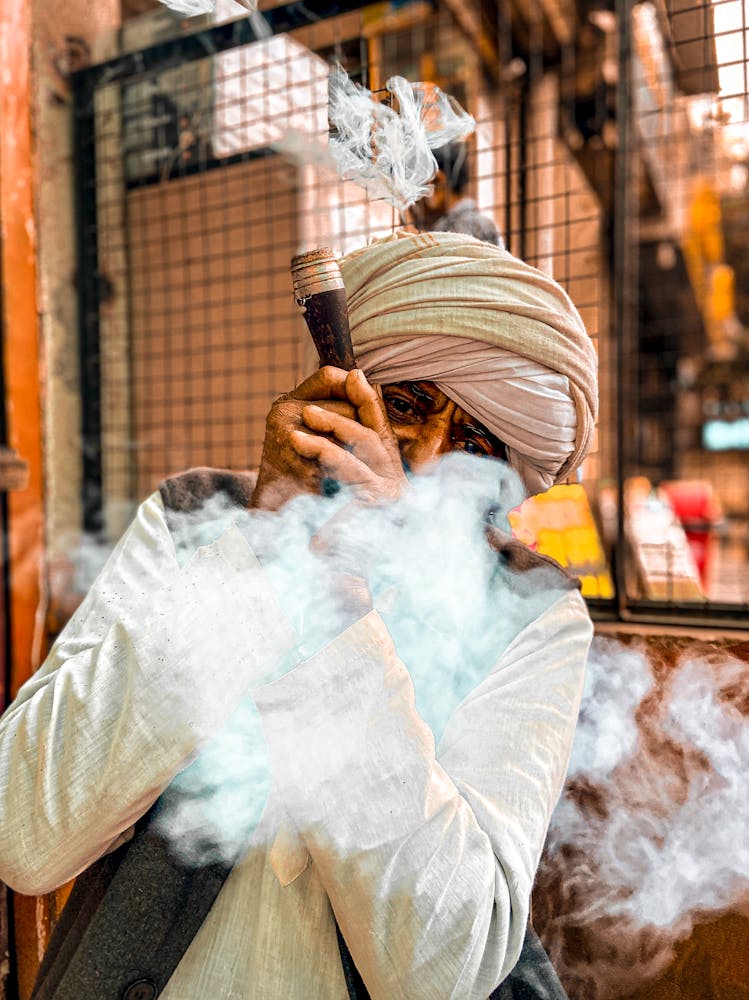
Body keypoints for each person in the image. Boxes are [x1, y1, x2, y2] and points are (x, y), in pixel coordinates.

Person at [0, 230, 597, 999]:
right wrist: (267, 553)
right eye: (408, 404)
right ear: (347, 394)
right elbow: (24, 831)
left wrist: (342, 608)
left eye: (476, 446)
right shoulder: (195, 522)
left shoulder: (531, 616)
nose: (424, 455)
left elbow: (442, 969)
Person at [410, 142, 504, 246]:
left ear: (438, 179)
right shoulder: (481, 222)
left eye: (423, 182)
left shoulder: (461, 225)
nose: (422, 193)